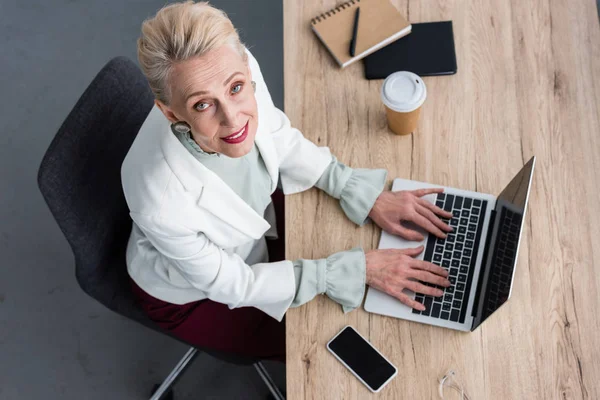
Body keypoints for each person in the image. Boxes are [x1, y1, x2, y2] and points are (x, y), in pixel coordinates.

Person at [123, 1, 453, 362]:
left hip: (252, 226)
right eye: (203, 105)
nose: (233, 120)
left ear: (244, 68)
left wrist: (355, 189)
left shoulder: (232, 65)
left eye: (236, 89)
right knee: (316, 340)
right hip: (195, 293)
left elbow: (274, 132)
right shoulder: (160, 203)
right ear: (170, 112)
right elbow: (233, 283)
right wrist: (353, 270)